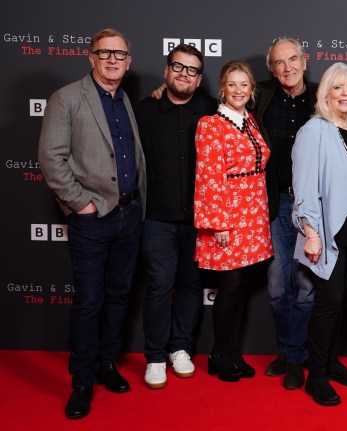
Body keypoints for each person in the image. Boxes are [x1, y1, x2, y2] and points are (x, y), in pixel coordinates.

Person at [38, 28, 146, 419]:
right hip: (92, 219)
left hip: (129, 215)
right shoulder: (67, 97)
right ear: (91, 57)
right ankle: (81, 380)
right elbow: (52, 159)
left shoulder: (125, 100)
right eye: (105, 53)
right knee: (89, 302)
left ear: (128, 61)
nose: (113, 60)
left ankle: (105, 364)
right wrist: (81, 204)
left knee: (119, 296)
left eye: (120, 54)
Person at [292, 62, 347, 406]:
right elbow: (305, 189)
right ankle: (318, 376)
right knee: (326, 306)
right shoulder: (315, 130)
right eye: (338, 87)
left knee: (339, 303)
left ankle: (329, 361)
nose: (345, 94)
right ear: (325, 93)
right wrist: (311, 233)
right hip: (329, 237)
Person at [135, 44, 217, 389]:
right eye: (178, 67)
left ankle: (180, 347)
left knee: (190, 285)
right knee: (158, 285)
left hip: (198, 220)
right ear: (167, 71)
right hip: (156, 217)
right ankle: (155, 355)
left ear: (199, 80)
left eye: (192, 70)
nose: (184, 74)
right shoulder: (142, 111)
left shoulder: (211, 111)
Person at [194, 60, 273, 382]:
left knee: (240, 289)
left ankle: (232, 352)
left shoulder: (250, 121)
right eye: (232, 84)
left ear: (251, 90)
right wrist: (219, 223)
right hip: (227, 216)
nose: (239, 90)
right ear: (222, 88)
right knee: (230, 287)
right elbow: (208, 176)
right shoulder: (210, 124)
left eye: (245, 85)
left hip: (254, 215)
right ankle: (218, 354)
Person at [253, 37, 317, 390]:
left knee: (306, 287)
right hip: (275, 205)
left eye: (293, 59)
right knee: (279, 287)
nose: (287, 67)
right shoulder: (259, 95)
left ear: (305, 61)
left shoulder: (324, 95)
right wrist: (161, 92)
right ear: (272, 69)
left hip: (312, 209)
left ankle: (298, 356)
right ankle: (291, 352)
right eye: (279, 62)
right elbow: (218, 97)